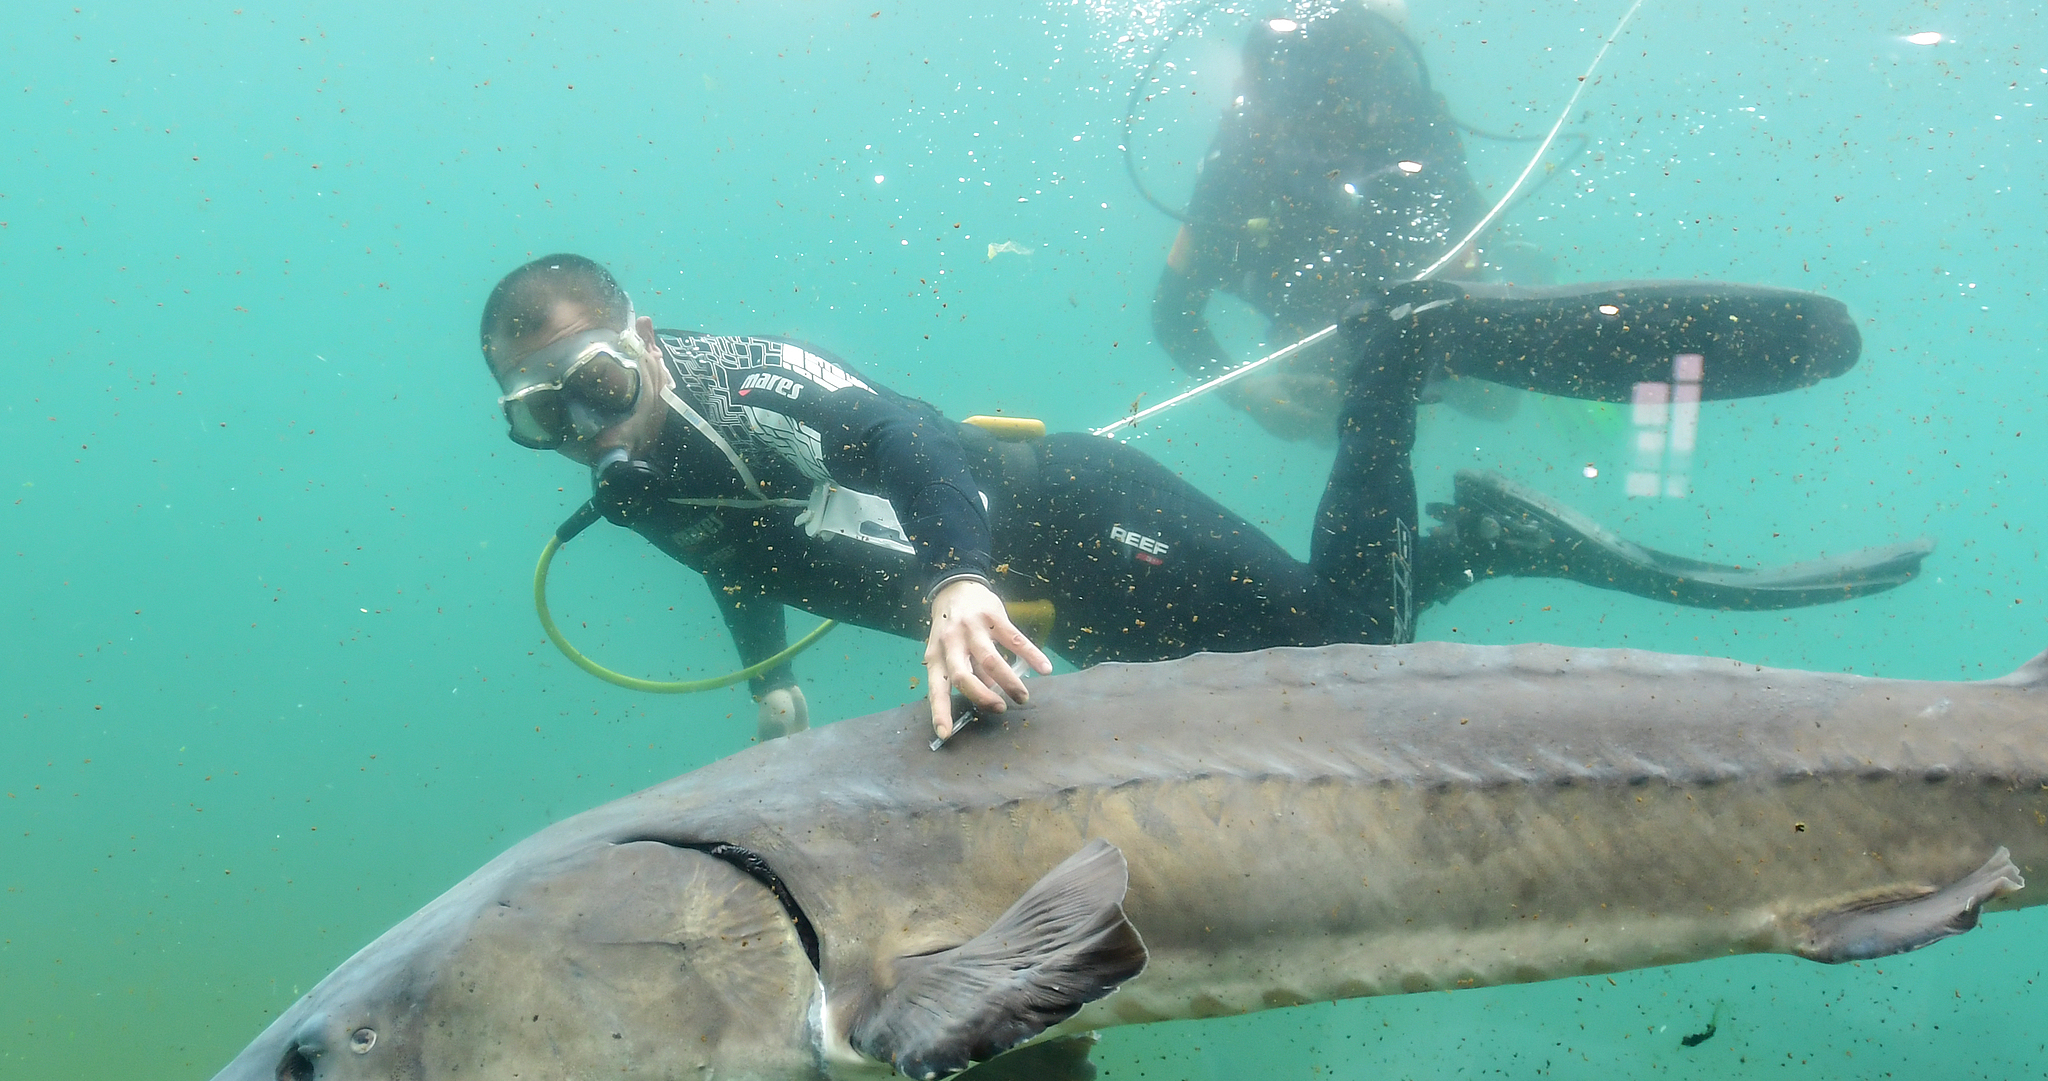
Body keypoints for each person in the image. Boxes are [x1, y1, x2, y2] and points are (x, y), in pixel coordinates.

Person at [480, 255, 1927, 743]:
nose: (578, 427)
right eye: (538, 415)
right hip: (1048, 610)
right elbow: (736, 555)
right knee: (1305, 692)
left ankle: (1398, 372)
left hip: (1066, 524)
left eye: (594, 382)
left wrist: (959, 583)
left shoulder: (746, 383)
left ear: (648, 343)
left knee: (1351, 665)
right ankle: (1474, 543)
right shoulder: (631, 479)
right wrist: (765, 694)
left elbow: (911, 441)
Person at [1151, 0, 1486, 440]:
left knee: (1489, 399)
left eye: (1352, 84)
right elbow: (1173, 313)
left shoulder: (1411, 132)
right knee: (1327, 424)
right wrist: (1248, 392)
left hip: (1413, 292)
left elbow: (1472, 247)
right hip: (1321, 313)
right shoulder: (1241, 158)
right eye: (1308, 90)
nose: (1329, 108)